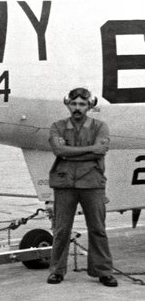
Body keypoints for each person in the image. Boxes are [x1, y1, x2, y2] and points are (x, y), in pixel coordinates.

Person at [46, 87, 116, 287]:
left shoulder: (100, 126)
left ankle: (103, 271)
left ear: (89, 106)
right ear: (68, 105)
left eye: (82, 104)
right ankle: (57, 271)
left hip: (92, 183)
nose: (77, 108)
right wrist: (90, 150)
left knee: (98, 228)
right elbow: (58, 150)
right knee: (61, 229)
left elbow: (100, 151)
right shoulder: (57, 126)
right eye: (74, 104)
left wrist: (69, 153)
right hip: (65, 183)